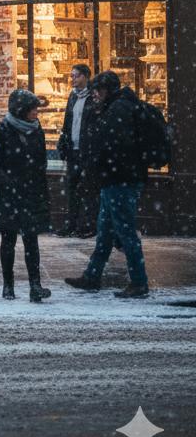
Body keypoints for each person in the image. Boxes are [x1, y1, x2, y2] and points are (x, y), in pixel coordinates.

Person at [64, 71, 150, 299]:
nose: (95, 95)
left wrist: (98, 162)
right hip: (114, 179)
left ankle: (139, 282)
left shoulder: (119, 108)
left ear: (108, 90)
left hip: (120, 180)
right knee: (104, 231)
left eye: (97, 91)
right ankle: (92, 276)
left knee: (125, 232)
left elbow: (116, 146)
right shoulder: (116, 106)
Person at [0, 89, 53, 302]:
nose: (36, 112)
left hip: (31, 193)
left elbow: (41, 160)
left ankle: (35, 286)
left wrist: (38, 182)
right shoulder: (3, 129)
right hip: (9, 195)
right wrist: (7, 181)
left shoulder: (37, 129)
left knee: (32, 241)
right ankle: (8, 285)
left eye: (37, 108)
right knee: (8, 240)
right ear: (21, 110)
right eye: (32, 109)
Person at [56, 64, 97, 236]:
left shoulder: (93, 96)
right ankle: (71, 224)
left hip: (87, 150)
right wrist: (64, 141)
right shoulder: (72, 96)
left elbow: (93, 124)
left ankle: (88, 225)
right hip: (74, 149)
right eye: (72, 76)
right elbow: (68, 122)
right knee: (72, 188)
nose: (73, 79)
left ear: (86, 77)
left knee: (88, 189)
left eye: (77, 76)